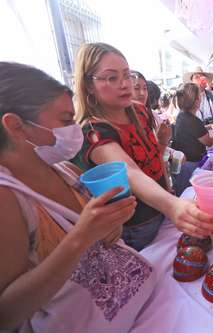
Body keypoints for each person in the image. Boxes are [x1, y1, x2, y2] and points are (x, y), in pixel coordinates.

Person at [0, 62, 158, 332]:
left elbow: (102, 239)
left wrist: (112, 224)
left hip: (142, 308)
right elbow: (6, 315)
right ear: (16, 126)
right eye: (65, 121)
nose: (74, 129)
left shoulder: (65, 170)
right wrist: (81, 237)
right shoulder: (8, 199)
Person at [73, 43, 213, 251]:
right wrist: (172, 205)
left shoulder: (141, 112)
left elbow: (152, 161)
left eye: (126, 75)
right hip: (137, 226)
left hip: (163, 210)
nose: (124, 84)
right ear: (89, 85)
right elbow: (131, 172)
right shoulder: (94, 131)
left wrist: (161, 146)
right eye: (112, 78)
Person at [171, 83, 213, 195]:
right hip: (189, 165)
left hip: (181, 163)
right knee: (188, 194)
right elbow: (209, 142)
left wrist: (206, 127)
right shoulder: (194, 121)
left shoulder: (182, 115)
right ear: (197, 101)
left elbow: (191, 132)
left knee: (181, 192)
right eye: (200, 96)